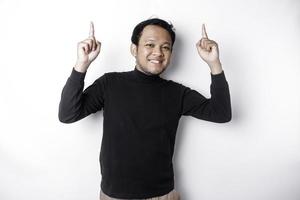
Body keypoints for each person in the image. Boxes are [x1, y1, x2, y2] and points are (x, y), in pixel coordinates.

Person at [58, 18, 231, 200]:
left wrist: (214, 64)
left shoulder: (177, 93)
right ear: (134, 49)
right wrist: (82, 65)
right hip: (114, 195)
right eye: (150, 44)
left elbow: (221, 113)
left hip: (162, 195)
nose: (158, 52)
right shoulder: (110, 84)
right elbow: (68, 114)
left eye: (166, 47)